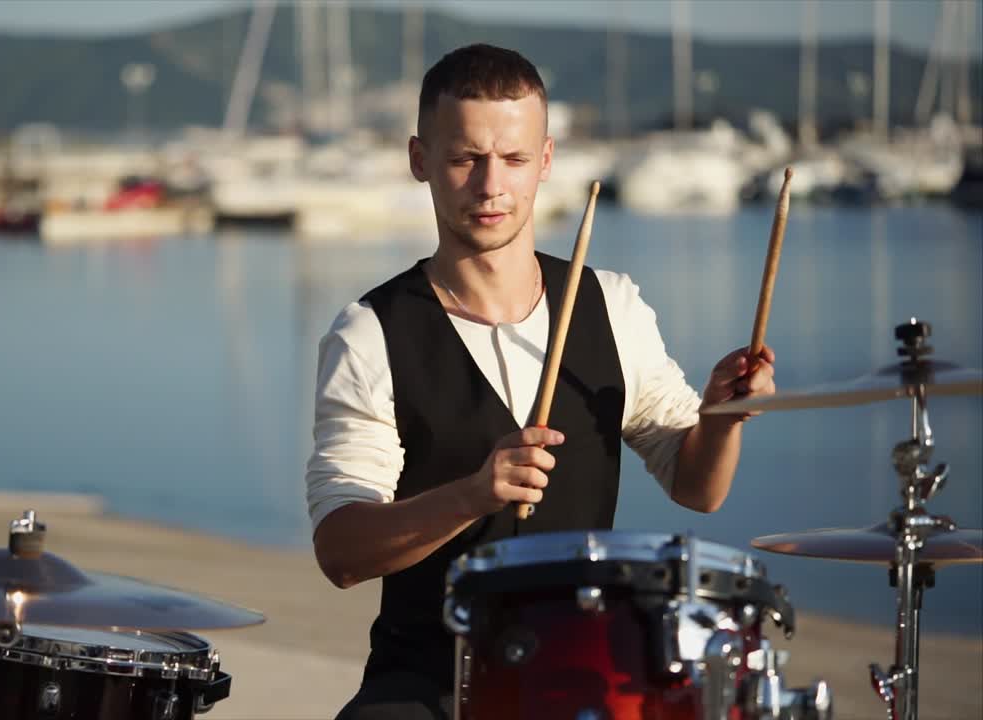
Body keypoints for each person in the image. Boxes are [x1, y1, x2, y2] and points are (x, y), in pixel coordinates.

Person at [304, 44, 776, 720]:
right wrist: (471, 494)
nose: (491, 185)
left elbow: (697, 489)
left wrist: (721, 419)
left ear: (547, 161)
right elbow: (341, 553)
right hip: (430, 683)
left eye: (516, 159)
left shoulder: (611, 305)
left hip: (583, 674)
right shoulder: (369, 333)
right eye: (466, 158)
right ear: (420, 159)